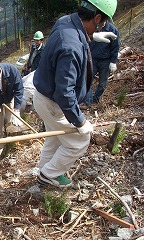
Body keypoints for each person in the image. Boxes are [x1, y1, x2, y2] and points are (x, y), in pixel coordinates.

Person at [32, 0, 118, 188]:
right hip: (53, 103)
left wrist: (91, 37)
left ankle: (44, 169)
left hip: (44, 96)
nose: (102, 26)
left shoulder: (66, 21)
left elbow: (71, 37)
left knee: (54, 138)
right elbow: (64, 92)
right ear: (96, 17)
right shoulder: (71, 47)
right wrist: (80, 121)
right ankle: (49, 175)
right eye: (102, 23)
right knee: (79, 141)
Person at [82, 20, 120, 106]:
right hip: (92, 58)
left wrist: (113, 61)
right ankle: (88, 101)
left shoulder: (112, 30)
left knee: (102, 84)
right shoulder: (92, 27)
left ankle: (96, 99)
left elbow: (115, 47)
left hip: (105, 61)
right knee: (87, 80)